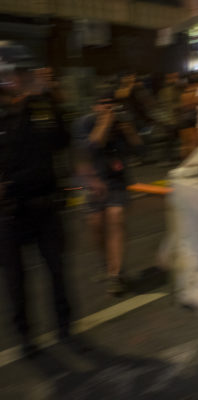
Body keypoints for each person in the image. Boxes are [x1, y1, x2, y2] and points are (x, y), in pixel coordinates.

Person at [0, 43, 71, 356]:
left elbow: (60, 142)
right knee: (16, 279)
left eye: (26, 71)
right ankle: (26, 335)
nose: (24, 76)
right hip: (10, 211)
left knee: (56, 268)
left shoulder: (40, 106)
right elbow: (14, 154)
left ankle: (64, 325)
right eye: (18, 71)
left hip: (45, 204)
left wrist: (54, 101)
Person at [72, 90, 143, 295]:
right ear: (95, 106)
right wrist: (104, 122)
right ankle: (107, 265)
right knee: (96, 225)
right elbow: (92, 147)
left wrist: (130, 132)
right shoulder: (85, 123)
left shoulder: (122, 124)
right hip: (94, 180)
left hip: (116, 180)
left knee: (116, 217)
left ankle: (115, 274)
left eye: (111, 103)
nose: (107, 107)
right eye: (103, 103)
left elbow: (140, 151)